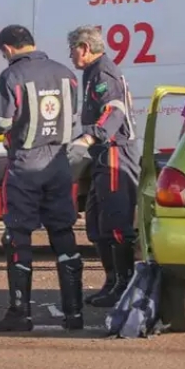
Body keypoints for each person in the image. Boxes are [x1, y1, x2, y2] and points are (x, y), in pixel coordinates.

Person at [0, 24, 84, 332]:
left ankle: (20, 313)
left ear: (8, 49)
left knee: (18, 236)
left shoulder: (12, 76)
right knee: (64, 234)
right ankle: (75, 313)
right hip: (58, 163)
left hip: (26, 166)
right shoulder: (66, 73)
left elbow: (1, 123)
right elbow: (72, 117)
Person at [66, 25, 141, 308]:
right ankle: (112, 280)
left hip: (114, 154)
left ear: (84, 48)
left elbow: (114, 110)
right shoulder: (91, 72)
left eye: (72, 49)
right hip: (100, 155)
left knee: (117, 222)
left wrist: (90, 137)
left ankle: (125, 283)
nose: (71, 56)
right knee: (97, 223)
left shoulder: (102, 72)